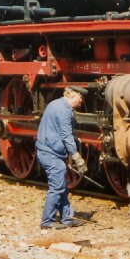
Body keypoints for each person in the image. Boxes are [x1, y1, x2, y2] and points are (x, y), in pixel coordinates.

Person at [37, 85, 89, 229]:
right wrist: (77, 157)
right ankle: (47, 222)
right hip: (51, 154)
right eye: (80, 100)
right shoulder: (64, 111)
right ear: (73, 95)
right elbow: (66, 136)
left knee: (62, 186)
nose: (80, 104)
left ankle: (67, 218)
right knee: (57, 187)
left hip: (49, 151)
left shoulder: (55, 104)